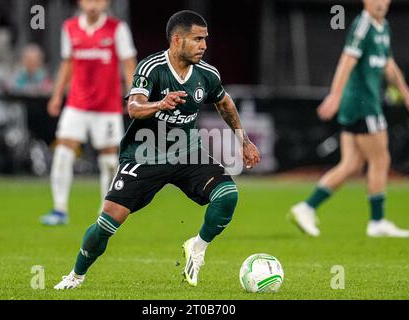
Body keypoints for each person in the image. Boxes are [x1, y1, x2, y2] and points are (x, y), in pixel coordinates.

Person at [53, 10, 260, 289]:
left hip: (188, 153)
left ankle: (196, 248)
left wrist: (243, 141)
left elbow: (225, 104)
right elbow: (134, 107)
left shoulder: (207, 74)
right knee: (107, 223)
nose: (204, 45)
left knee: (227, 195)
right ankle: (75, 275)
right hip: (144, 155)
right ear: (177, 40)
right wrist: (159, 104)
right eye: (197, 39)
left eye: (205, 39)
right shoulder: (152, 68)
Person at [289, 0, 409, 238]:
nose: (379, 3)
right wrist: (335, 95)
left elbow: (388, 65)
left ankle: (306, 207)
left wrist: (408, 96)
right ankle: (377, 222)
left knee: (352, 164)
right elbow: (347, 60)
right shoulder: (363, 25)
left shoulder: (382, 26)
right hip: (362, 104)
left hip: (362, 103)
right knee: (381, 159)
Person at [40, 0, 137, 225]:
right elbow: (68, 63)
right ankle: (59, 209)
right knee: (63, 151)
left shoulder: (117, 29)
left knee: (109, 159)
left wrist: (134, 94)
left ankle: (106, 211)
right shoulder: (70, 27)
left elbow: (129, 63)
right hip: (77, 104)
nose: (93, 4)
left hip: (107, 106)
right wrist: (57, 95)